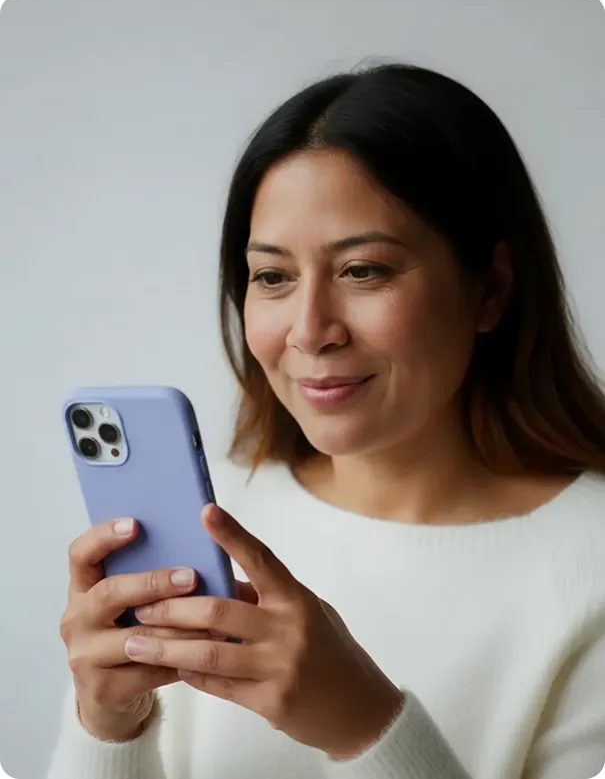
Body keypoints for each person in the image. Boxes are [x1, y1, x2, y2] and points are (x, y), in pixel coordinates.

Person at [47, 62, 605, 779]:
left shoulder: (587, 569)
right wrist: (106, 727)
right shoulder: (223, 517)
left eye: (363, 270)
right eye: (273, 276)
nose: (310, 330)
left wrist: (367, 727)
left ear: (489, 289)